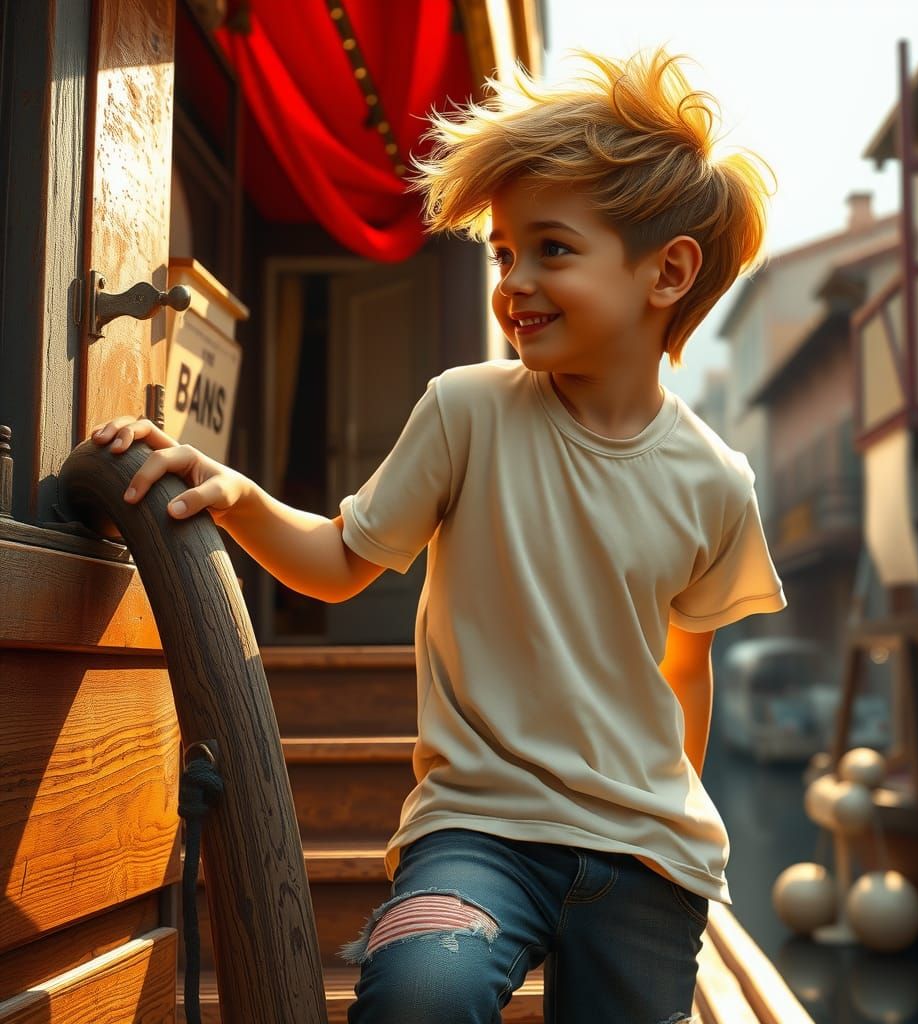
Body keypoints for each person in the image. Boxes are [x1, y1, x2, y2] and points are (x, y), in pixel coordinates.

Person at [92, 48, 786, 1024]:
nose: (514, 282)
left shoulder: (717, 482)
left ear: (665, 271)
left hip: (645, 853)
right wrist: (234, 494)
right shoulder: (466, 411)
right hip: (477, 833)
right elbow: (337, 565)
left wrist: (668, 831)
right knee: (418, 997)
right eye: (503, 253)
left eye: (550, 249)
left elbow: (685, 670)